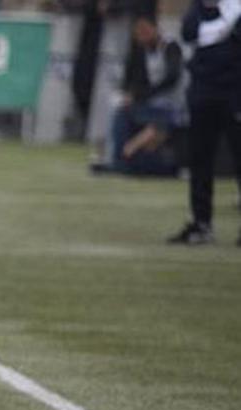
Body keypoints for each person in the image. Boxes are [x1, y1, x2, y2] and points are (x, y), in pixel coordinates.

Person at [167, 0, 241, 245]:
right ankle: (201, 223)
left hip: (234, 91)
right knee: (200, 160)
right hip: (203, 90)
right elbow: (189, 33)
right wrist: (221, 29)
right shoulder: (198, 8)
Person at [92, 13, 184, 176]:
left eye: (145, 31)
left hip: (172, 106)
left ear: (155, 28)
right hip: (155, 104)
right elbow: (139, 80)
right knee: (121, 109)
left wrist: (142, 96)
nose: (142, 36)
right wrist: (132, 95)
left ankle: (119, 162)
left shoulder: (170, 47)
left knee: (124, 114)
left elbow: (171, 78)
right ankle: (117, 159)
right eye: (138, 33)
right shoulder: (146, 52)